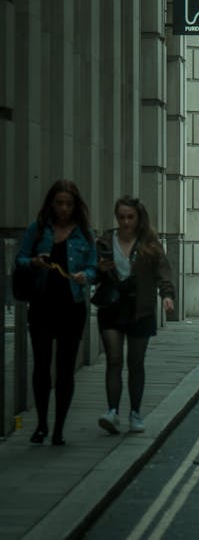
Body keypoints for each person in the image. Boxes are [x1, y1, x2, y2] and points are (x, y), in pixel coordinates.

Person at [15, 179, 98, 445]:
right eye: (59, 203)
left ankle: (59, 428)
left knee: (64, 369)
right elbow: (20, 258)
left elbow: (94, 267)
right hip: (41, 306)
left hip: (71, 309)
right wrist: (34, 263)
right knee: (41, 365)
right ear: (52, 203)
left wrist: (86, 275)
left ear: (76, 206)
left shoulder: (84, 234)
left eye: (69, 204)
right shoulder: (38, 229)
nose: (63, 208)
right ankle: (41, 424)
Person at [95, 197, 175, 435]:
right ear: (116, 217)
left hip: (141, 309)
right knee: (114, 359)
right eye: (122, 217)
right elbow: (92, 272)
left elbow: (163, 271)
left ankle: (135, 414)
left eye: (130, 217)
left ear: (138, 218)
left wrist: (167, 295)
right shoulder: (106, 242)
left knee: (135, 363)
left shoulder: (149, 244)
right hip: (111, 307)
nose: (126, 222)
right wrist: (99, 269)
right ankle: (112, 411)